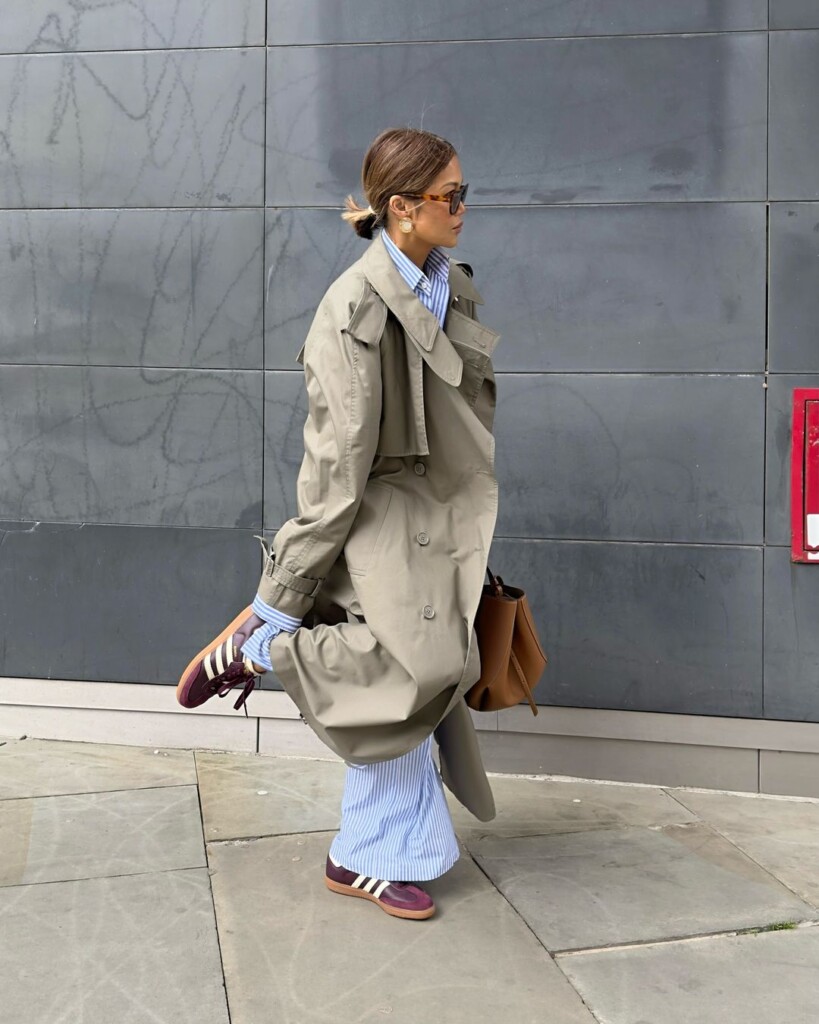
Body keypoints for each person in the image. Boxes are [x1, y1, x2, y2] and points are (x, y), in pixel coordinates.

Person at [177, 127, 501, 921]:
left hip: (441, 513)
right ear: (401, 208)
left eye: (463, 193)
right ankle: (268, 649)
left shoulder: (443, 279)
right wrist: (286, 591)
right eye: (448, 196)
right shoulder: (353, 308)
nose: (462, 208)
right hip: (384, 519)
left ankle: (377, 853)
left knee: (431, 678)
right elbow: (335, 463)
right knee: (414, 674)